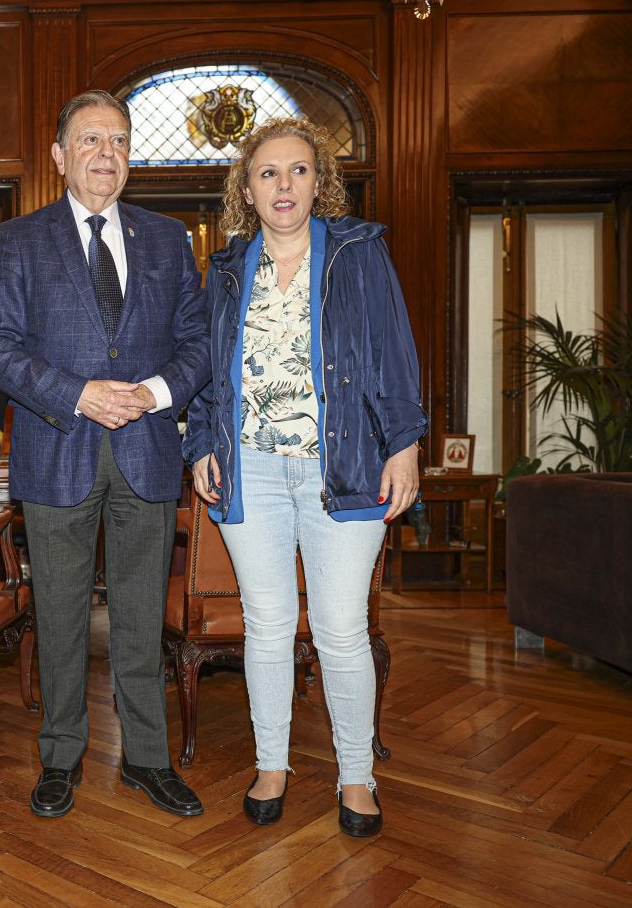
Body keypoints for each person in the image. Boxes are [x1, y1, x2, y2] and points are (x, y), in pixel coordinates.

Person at [183, 117, 426, 838]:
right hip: (249, 470)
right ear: (247, 190)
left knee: (342, 629)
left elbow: (394, 350)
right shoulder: (226, 270)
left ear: (318, 182)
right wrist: (201, 441)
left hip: (346, 467)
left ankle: (357, 775)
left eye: (296, 171)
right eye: (267, 173)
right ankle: (272, 763)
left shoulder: (358, 253)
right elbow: (204, 371)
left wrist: (405, 445)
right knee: (266, 626)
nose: (282, 185)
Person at [0, 90, 212, 819]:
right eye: (89, 140)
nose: (105, 154)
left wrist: (155, 390)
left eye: (117, 140)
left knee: (142, 616)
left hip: (144, 451)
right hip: (57, 449)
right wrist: (78, 394)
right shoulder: (19, 238)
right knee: (61, 613)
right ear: (59, 155)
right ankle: (61, 755)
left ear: (130, 154)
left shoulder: (170, 239)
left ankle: (147, 757)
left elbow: (200, 344)